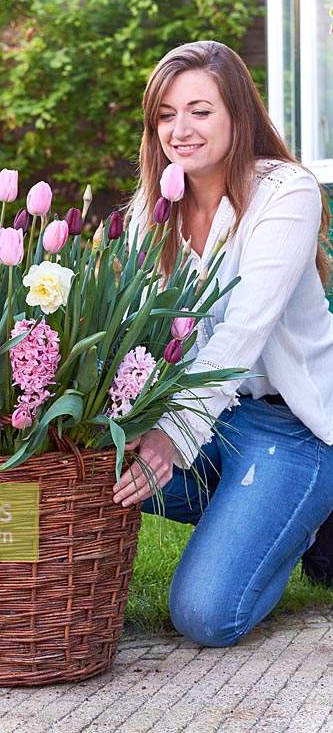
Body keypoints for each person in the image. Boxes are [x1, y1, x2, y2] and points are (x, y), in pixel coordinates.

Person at [113, 40, 333, 648]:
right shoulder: (152, 210)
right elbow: (139, 333)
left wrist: (172, 436)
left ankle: (293, 520)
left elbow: (242, 331)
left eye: (200, 111)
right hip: (215, 422)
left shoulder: (286, 193)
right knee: (88, 460)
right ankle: (273, 521)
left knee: (206, 617)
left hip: (296, 429)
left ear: (238, 114)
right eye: (165, 114)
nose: (180, 130)